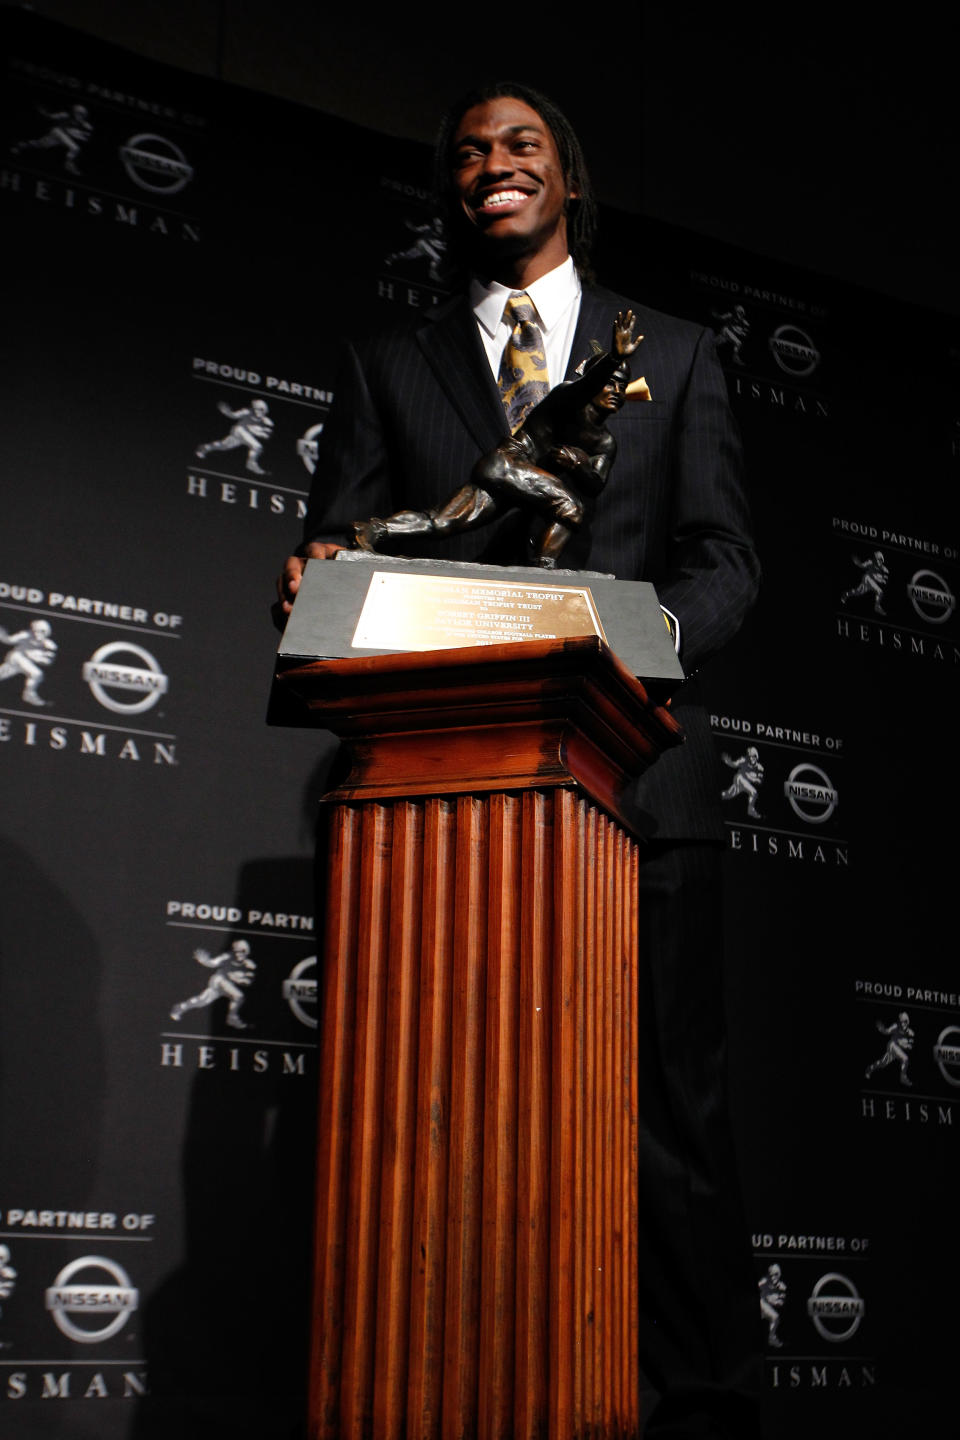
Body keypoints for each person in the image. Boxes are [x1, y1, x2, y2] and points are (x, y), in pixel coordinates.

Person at [277, 82, 762, 1439]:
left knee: (672, 1128)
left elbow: (725, 561)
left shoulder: (672, 347)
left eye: (522, 145)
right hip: (446, 808)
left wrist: (631, 641)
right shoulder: (389, 363)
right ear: (452, 190)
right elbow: (341, 554)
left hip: (645, 783)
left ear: (569, 180)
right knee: (444, 1121)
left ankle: (703, 1414)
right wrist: (315, 570)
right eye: (472, 152)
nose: (495, 163)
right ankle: (448, 1396)